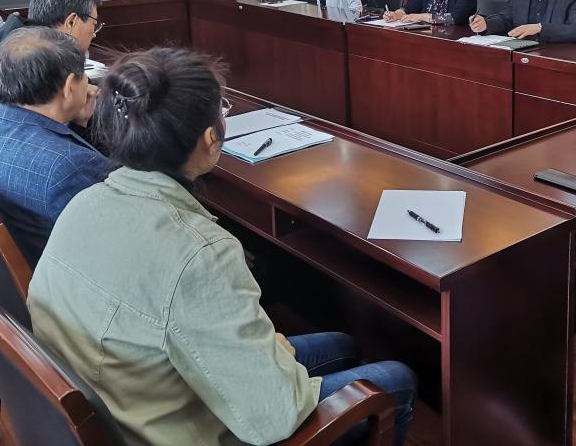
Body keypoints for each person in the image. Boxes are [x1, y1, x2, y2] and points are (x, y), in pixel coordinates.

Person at [28, 47, 417, 446]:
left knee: (343, 346)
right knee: (395, 381)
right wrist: (274, 361)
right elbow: (273, 419)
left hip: (123, 398)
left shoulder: (84, 202)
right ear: (210, 138)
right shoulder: (200, 253)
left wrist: (267, 356)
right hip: (172, 427)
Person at [0, 27, 112, 266]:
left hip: (1, 268)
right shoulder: (70, 166)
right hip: (58, 278)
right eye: (84, 76)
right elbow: (113, 239)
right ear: (69, 86)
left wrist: (80, 123)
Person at [0, 0, 103, 137]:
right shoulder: (40, 58)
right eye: (94, 25)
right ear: (71, 21)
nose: (94, 34)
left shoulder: (15, 42)